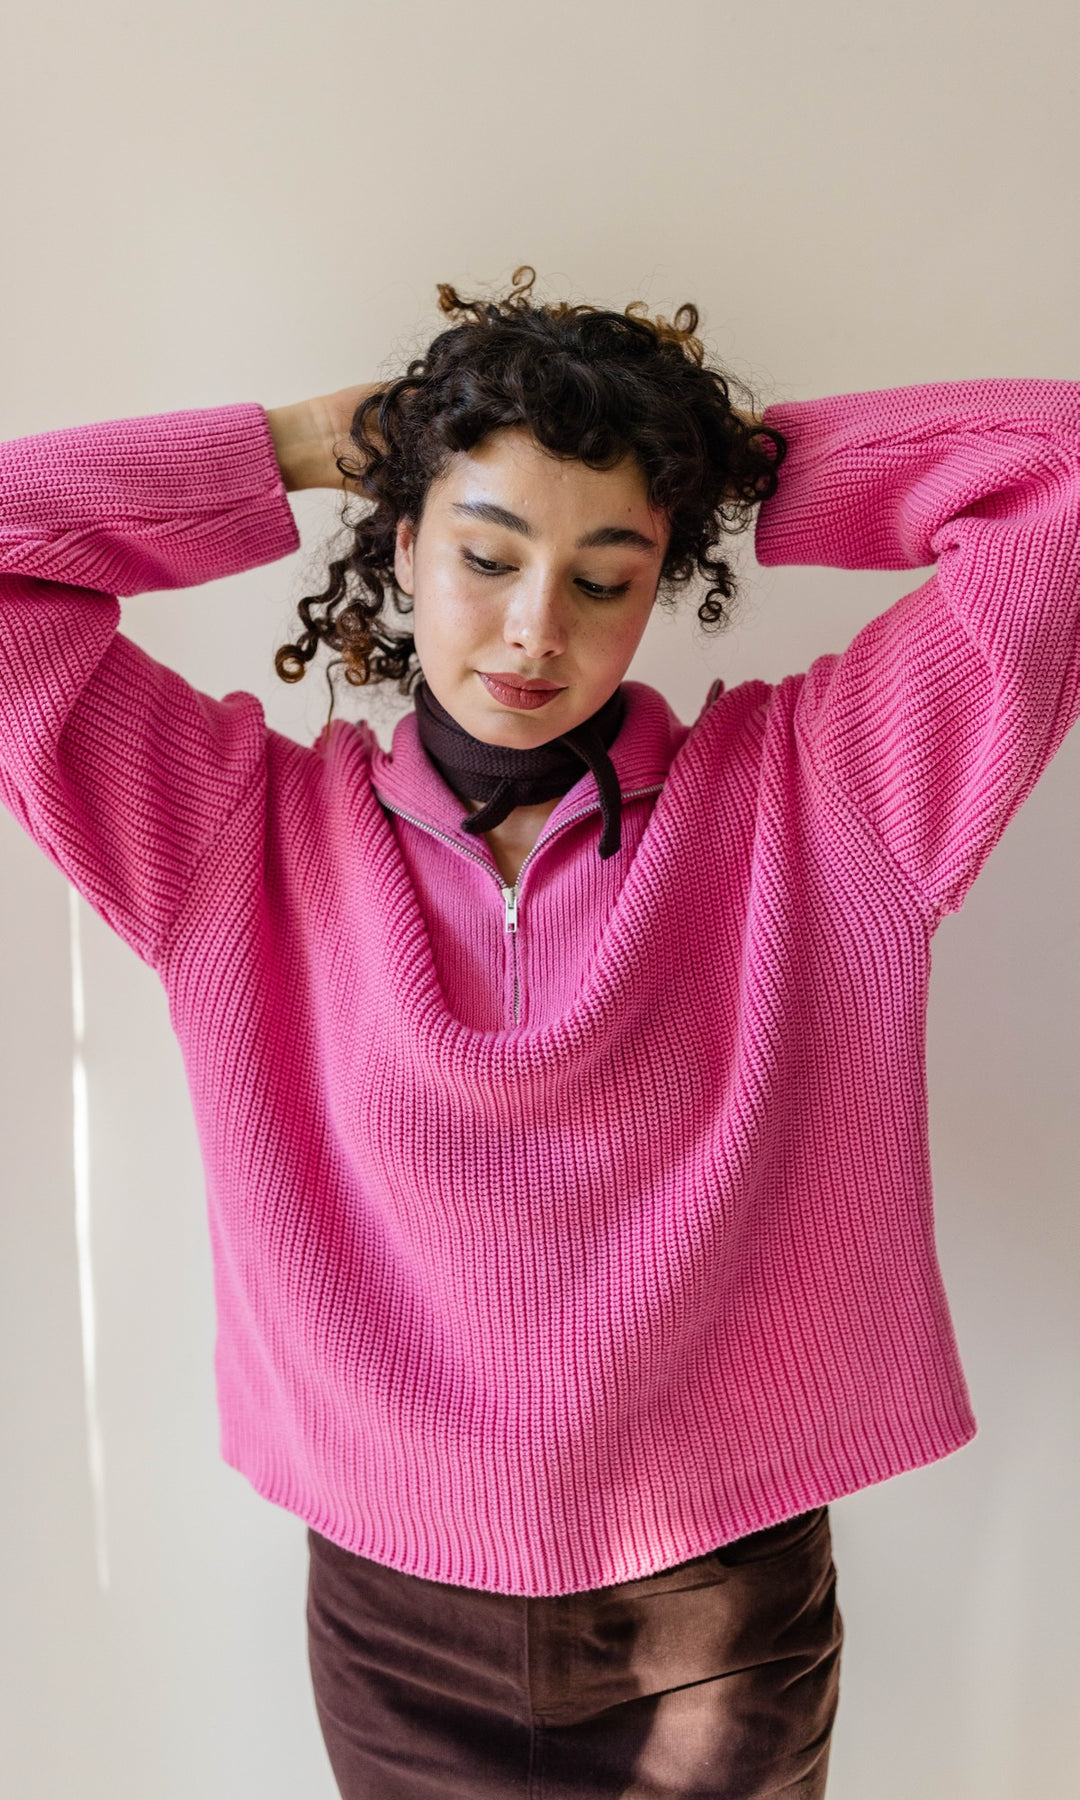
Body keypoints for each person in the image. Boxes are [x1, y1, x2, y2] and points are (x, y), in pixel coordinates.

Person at [1, 265, 1077, 1799]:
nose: (531, 629)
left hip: (721, 1603)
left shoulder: (819, 799)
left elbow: (1064, 488)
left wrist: (744, 464)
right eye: (484, 554)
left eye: (605, 572)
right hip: (395, 1609)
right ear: (402, 544)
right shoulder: (227, 831)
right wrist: (296, 445)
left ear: (663, 581)